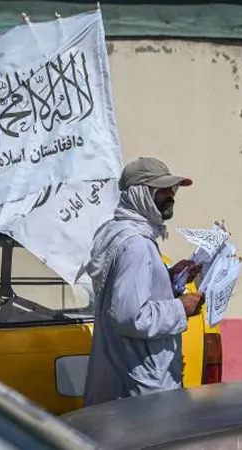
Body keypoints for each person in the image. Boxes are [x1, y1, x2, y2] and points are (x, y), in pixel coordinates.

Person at [83, 156, 205, 407]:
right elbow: (130, 316)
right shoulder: (136, 245)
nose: (171, 195)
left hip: (126, 380)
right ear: (140, 194)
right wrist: (181, 308)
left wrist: (171, 279)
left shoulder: (122, 234)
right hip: (141, 388)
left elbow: (131, 293)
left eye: (172, 189)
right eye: (162, 190)